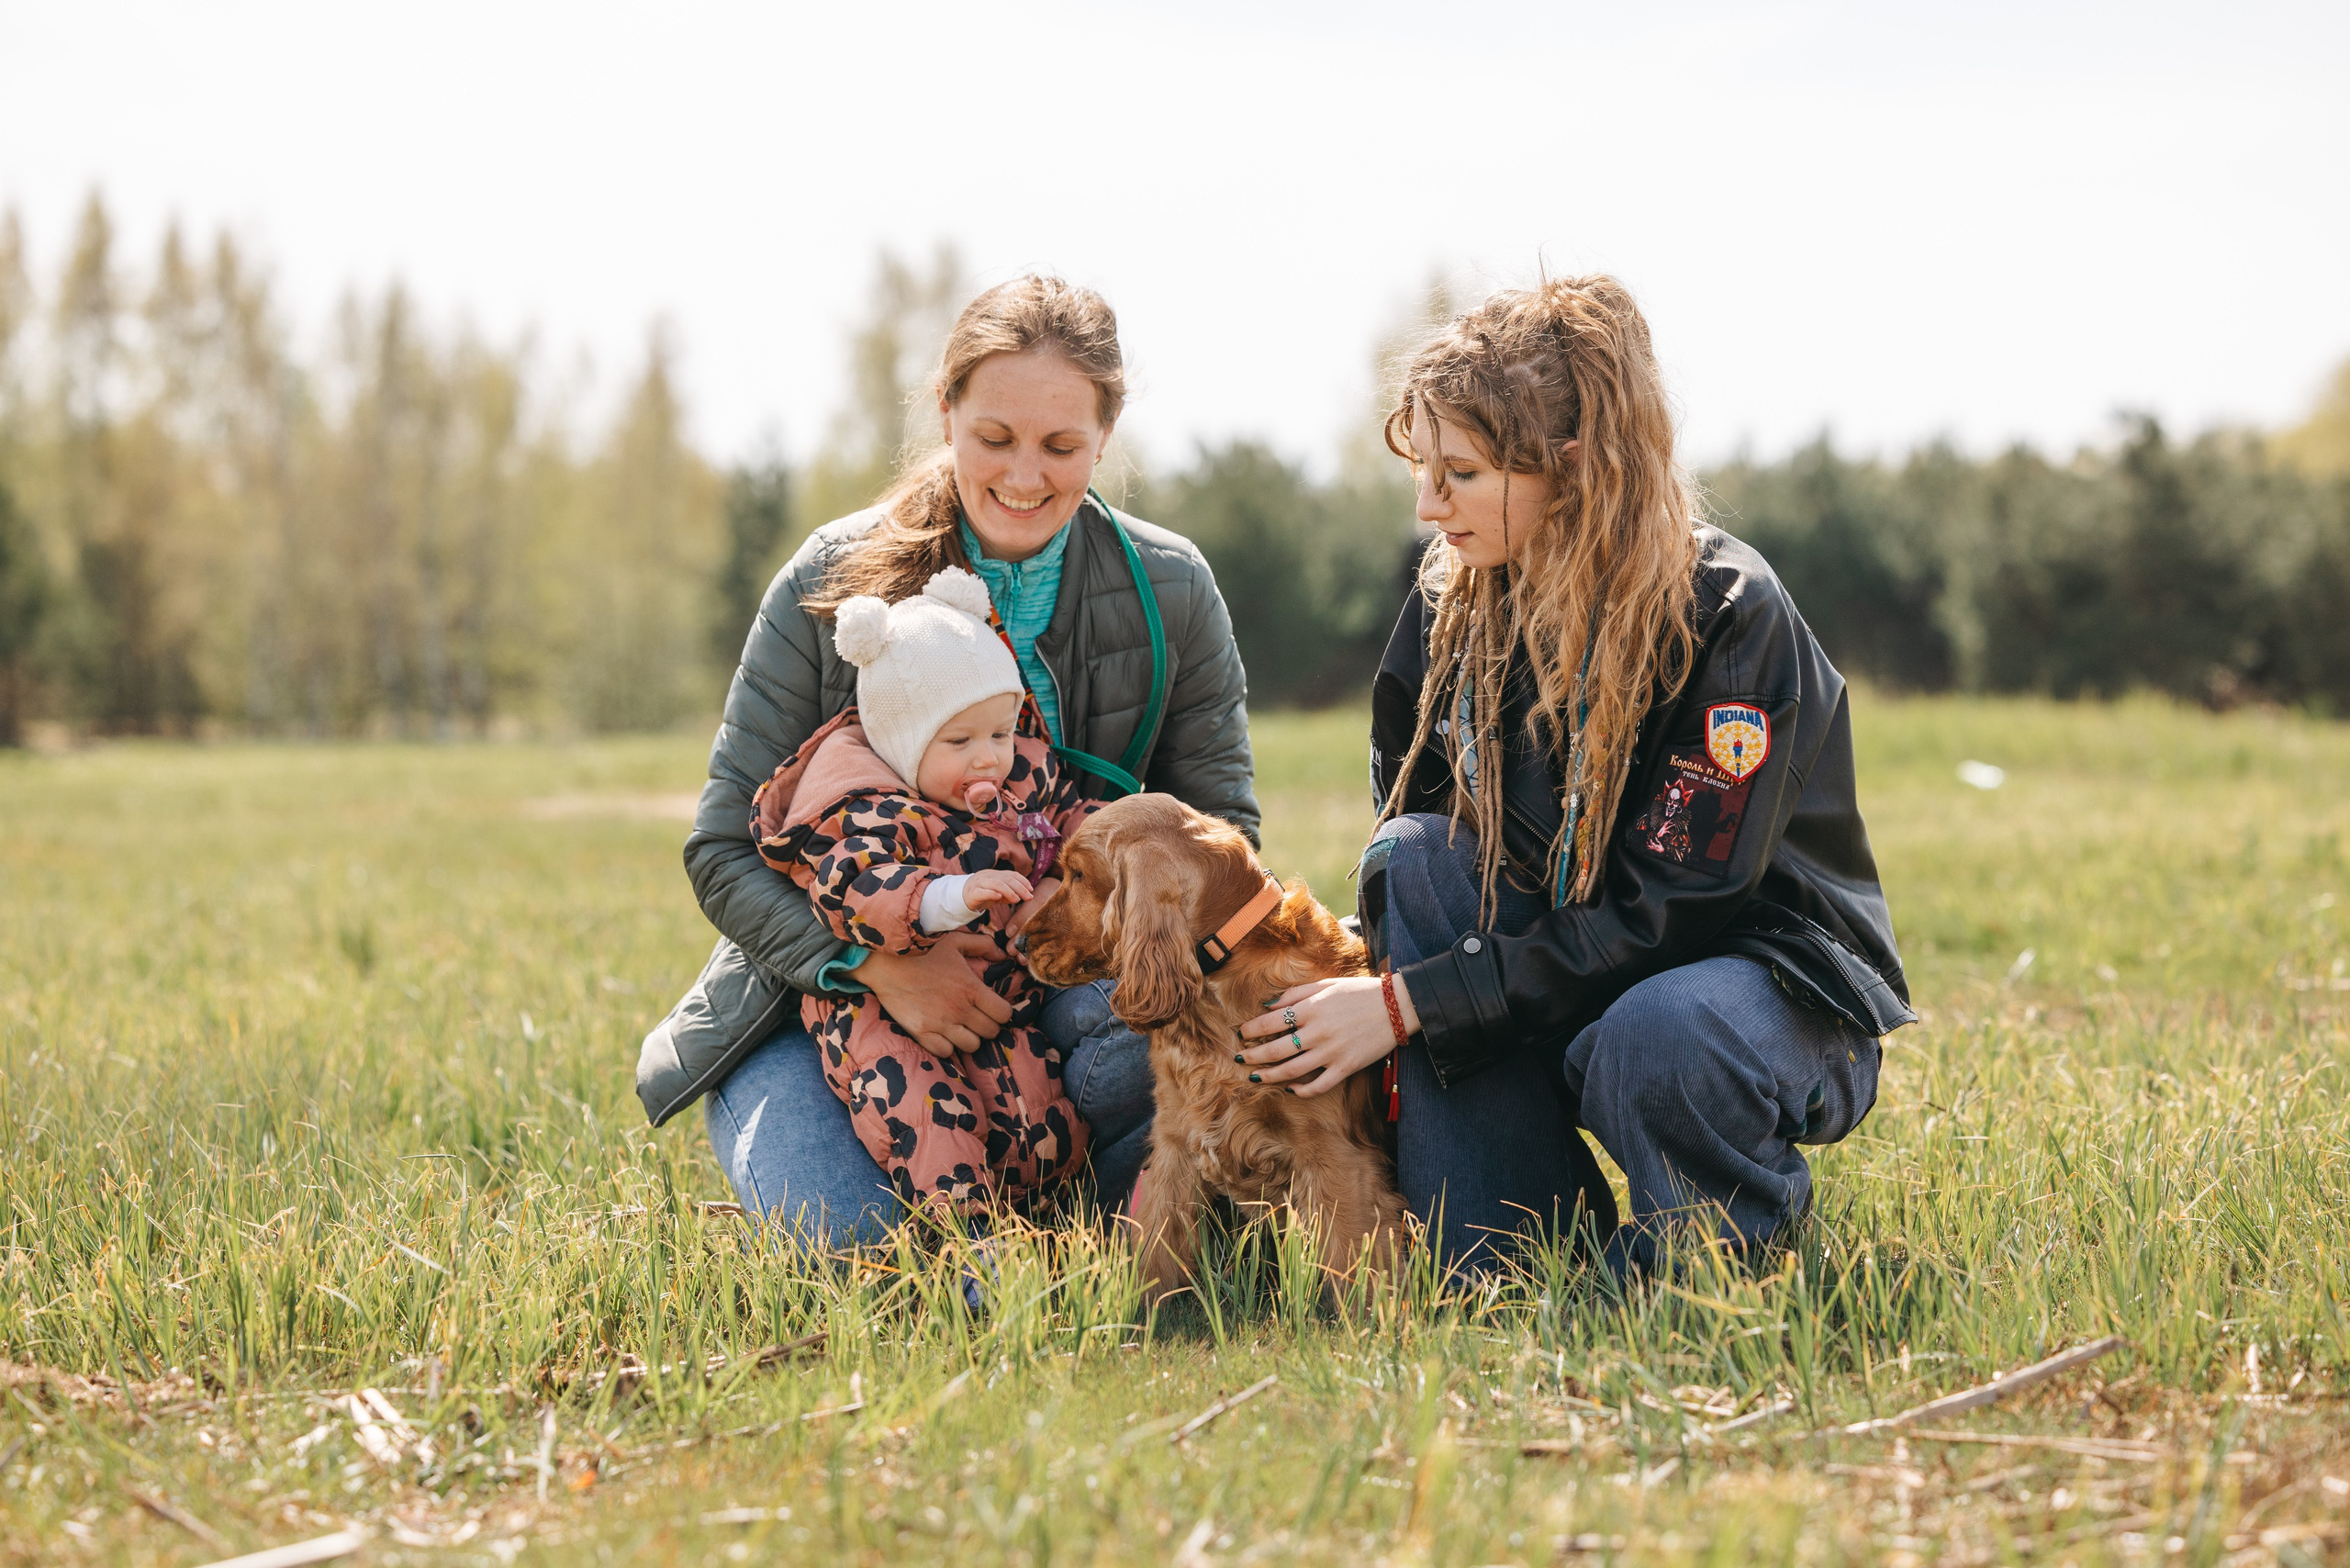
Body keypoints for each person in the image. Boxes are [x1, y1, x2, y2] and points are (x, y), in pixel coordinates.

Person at [1236, 276, 1915, 1276]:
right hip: (1552, 986)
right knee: (1413, 855)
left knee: (1659, 1028)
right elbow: (1415, 860)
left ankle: (1720, 1270)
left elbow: (1670, 911)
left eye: (1462, 473)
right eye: (1423, 470)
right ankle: (1512, 1264)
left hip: (1754, 997)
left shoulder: (1729, 613)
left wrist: (1406, 1004)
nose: (1428, 507)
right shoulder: (1450, 610)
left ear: (1572, 465)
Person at [634, 274, 1258, 1248]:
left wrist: (1085, 928)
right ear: (946, 411)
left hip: (1054, 984)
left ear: (1105, 434)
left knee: (1142, 1072)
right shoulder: (829, 578)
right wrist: (876, 966)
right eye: (994, 438)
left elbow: (1223, 837)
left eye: (1061, 446)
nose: (1024, 476)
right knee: (862, 1243)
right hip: (828, 1005)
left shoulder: (1172, 589)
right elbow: (722, 850)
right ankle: (1035, 1214)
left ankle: (1091, 1212)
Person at [750, 567, 1099, 1213]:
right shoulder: (865, 805)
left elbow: (1075, 820)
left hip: (993, 995)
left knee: (1034, 1111)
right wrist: (951, 897)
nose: (989, 757)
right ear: (901, 743)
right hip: (876, 1011)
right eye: (959, 741)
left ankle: (1043, 1224)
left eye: (1000, 732)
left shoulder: (1019, 777)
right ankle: (966, 1237)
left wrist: (1076, 870)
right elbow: (857, 886)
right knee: (932, 1117)